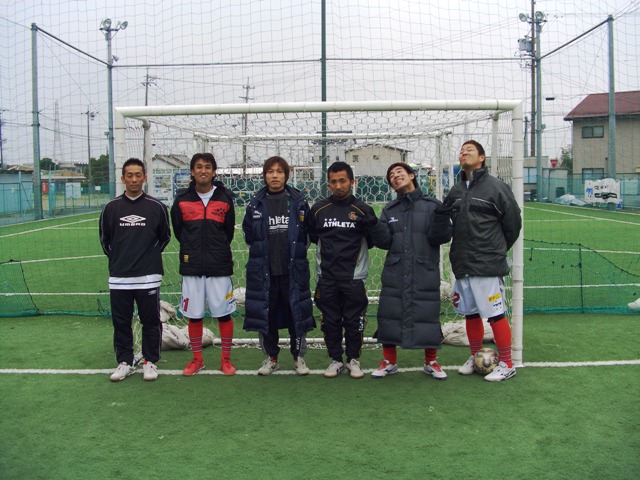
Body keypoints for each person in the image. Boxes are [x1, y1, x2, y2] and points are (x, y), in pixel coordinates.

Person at [438, 140, 522, 382]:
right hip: (462, 263)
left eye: (470, 150)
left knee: (495, 314)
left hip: (487, 264)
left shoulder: (496, 187)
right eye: (461, 150)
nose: (464, 153)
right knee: (471, 314)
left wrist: (496, 249)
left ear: (482, 157)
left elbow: (513, 223)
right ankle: (475, 356)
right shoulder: (456, 190)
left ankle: (507, 363)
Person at [369, 162, 452, 380]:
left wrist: (442, 217)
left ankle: (431, 362)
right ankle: (389, 361)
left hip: (424, 270)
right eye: (391, 175)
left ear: (412, 175)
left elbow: (441, 237)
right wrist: (373, 224)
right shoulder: (390, 210)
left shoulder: (432, 205)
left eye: (399, 172)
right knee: (389, 314)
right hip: (395, 271)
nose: (395, 176)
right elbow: (384, 242)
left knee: (427, 314)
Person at [309, 161, 384, 379]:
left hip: (354, 277)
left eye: (342, 181)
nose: (338, 186)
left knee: (354, 321)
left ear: (352, 181)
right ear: (328, 184)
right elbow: (313, 237)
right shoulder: (318, 210)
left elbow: (373, 241)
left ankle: (353, 359)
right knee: (330, 321)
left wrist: (373, 225)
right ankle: (335, 359)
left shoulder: (363, 209)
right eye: (333, 182)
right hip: (327, 277)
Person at [99, 158, 171, 382]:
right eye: (129, 175)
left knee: (150, 321)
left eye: (138, 175)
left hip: (148, 276)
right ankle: (125, 361)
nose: (134, 179)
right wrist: (121, 260)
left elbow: (164, 237)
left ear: (145, 178)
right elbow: (105, 241)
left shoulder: (156, 207)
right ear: (123, 179)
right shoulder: (111, 208)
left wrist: (146, 258)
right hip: (120, 277)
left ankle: (150, 361)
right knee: (121, 322)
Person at [242, 156, 315, 375]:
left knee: (296, 315)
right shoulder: (255, 204)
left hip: (293, 272)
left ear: (286, 175)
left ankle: (298, 357)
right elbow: (249, 236)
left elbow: (307, 235)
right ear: (264, 175)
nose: (275, 175)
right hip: (265, 272)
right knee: (267, 315)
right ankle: (271, 357)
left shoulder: (299, 202)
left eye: (279, 171)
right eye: (270, 171)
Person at [170, 152, 237, 376]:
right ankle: (197, 360)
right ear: (192, 172)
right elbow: (179, 232)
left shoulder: (225, 198)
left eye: (207, 167)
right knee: (194, 315)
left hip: (219, 266)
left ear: (214, 172)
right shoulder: (181, 200)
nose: (203, 170)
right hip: (192, 266)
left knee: (224, 314)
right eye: (198, 167)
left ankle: (226, 359)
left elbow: (228, 233)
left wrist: (215, 251)